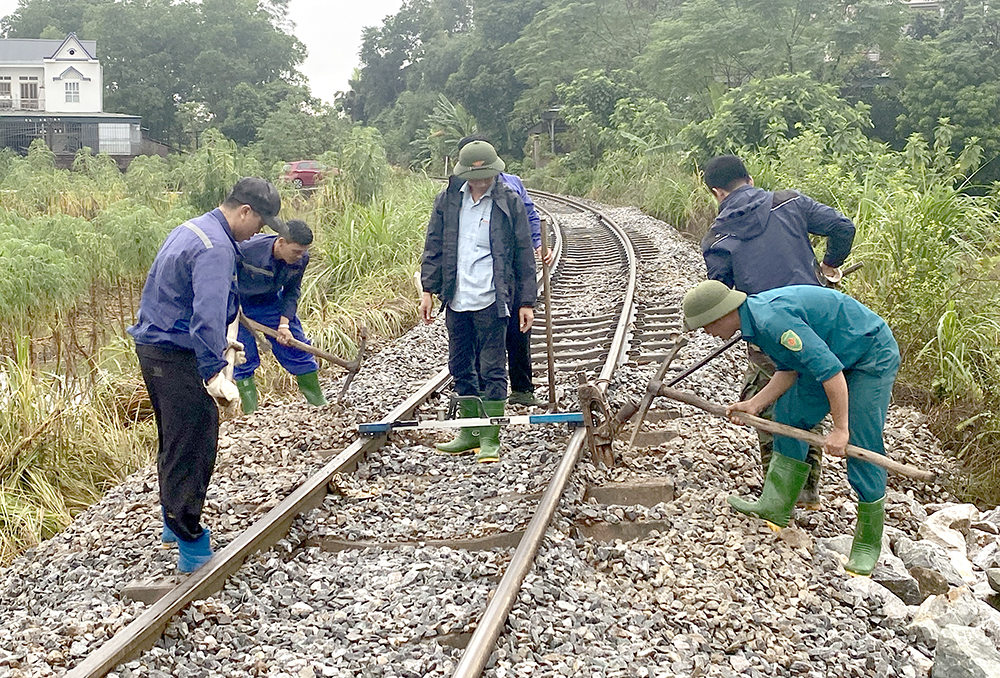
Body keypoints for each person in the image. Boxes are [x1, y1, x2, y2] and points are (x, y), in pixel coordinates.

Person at [682, 280, 899, 576]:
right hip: (833, 357)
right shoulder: (754, 322)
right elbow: (790, 368)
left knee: (861, 442)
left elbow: (831, 372)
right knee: (787, 417)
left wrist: (840, 428)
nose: (706, 332)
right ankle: (776, 504)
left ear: (722, 314)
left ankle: (867, 543)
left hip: (867, 355)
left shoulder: (772, 320)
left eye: (705, 325)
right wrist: (755, 404)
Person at [129, 178, 283, 573]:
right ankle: (190, 539)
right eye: (260, 224)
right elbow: (207, 315)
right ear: (244, 211)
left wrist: (220, 346)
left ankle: (171, 520)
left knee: (174, 438)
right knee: (195, 442)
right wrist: (215, 371)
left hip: (153, 347)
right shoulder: (216, 249)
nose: (259, 234)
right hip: (178, 353)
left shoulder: (192, 228)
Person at [701, 154, 856, 509]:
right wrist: (829, 265)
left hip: (764, 329)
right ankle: (807, 490)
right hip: (813, 319)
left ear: (716, 192)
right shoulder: (790, 202)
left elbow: (722, 295)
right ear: (750, 179)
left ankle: (780, 493)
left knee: (761, 399)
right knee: (807, 391)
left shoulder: (716, 237)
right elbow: (842, 227)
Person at [419, 140, 536, 463]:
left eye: (487, 176)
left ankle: (490, 437)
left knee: (493, 366)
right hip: (456, 295)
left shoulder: (508, 201)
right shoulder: (447, 201)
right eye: (476, 177)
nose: (482, 182)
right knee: (460, 365)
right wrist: (428, 290)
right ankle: (468, 432)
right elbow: (434, 245)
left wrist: (526, 301)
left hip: (492, 295)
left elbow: (524, 253)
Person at [457, 135, 550, 406]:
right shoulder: (458, 194)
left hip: (508, 275)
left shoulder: (512, 187)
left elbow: (530, 218)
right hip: (483, 280)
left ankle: (522, 389)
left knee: (517, 331)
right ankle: (481, 396)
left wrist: (538, 243)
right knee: (479, 342)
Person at [233, 219, 326, 413]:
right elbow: (221, 275)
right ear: (281, 242)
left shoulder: (301, 259)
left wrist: (284, 325)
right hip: (238, 307)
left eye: (303, 252)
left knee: (298, 349)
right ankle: (252, 415)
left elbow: (292, 292)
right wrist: (229, 307)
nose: (300, 256)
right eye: (296, 252)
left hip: (270, 303)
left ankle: (319, 406)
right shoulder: (246, 250)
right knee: (243, 357)